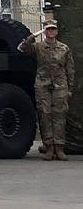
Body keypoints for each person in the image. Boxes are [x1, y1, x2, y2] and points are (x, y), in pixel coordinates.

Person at [19, 19, 76, 161]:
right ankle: (49, 147)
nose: (51, 32)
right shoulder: (38, 47)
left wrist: (70, 88)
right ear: (45, 31)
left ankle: (60, 147)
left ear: (56, 31)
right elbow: (21, 48)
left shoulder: (64, 48)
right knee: (45, 115)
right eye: (48, 29)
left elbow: (70, 69)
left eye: (53, 29)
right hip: (43, 85)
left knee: (59, 116)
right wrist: (35, 35)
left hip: (60, 85)